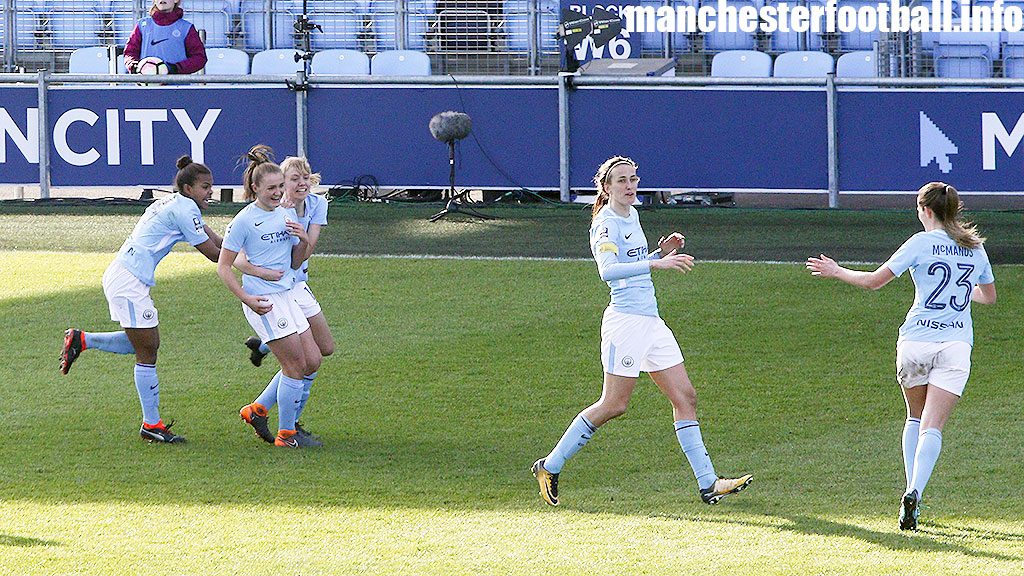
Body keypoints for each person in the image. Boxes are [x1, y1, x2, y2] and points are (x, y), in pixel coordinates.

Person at [531, 156, 754, 507]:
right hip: (626, 324)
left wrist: (659, 251)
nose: (630, 186)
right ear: (606, 188)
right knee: (614, 404)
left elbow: (631, 262)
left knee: (686, 397)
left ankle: (709, 482)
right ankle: (550, 465)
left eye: (633, 179)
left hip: (651, 322)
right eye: (621, 181)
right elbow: (608, 270)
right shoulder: (604, 224)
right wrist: (656, 262)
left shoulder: (631, 215)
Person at [806, 181, 996, 531]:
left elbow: (874, 282)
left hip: (915, 341)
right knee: (933, 425)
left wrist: (836, 271)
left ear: (925, 210)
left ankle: (910, 494)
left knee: (914, 417)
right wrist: (959, 295)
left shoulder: (920, 244)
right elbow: (989, 296)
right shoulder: (974, 248)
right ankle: (914, 492)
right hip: (955, 344)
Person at [59, 156, 223, 443]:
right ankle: (152, 425)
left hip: (126, 275)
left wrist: (247, 248)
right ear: (187, 188)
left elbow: (220, 242)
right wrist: (257, 264)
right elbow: (214, 255)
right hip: (128, 281)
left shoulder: (175, 203)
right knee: (147, 350)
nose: (210, 191)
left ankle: (82, 340)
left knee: (145, 343)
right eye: (205, 187)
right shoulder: (185, 210)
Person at [217, 145, 322, 448]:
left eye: (280, 187)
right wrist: (247, 298)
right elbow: (224, 268)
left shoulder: (286, 213)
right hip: (264, 300)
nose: (278, 193)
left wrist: (302, 241)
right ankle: (287, 435)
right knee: (294, 366)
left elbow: (294, 262)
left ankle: (259, 410)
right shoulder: (244, 221)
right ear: (255, 188)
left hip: (288, 293)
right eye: (272, 188)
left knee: (313, 359)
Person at [237, 156, 334, 440]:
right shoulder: (269, 212)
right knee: (302, 361)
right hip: (278, 289)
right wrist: (260, 273)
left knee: (324, 349)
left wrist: (301, 236)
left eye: (305, 177)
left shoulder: (317, 205)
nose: (301, 183)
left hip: (296, 286)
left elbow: (304, 252)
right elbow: (236, 259)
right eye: (294, 179)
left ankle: (261, 403)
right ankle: (290, 425)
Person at [124, 0, 208, 75]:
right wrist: (135, 66)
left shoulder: (186, 28)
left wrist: (174, 68)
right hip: (146, 88)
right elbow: (130, 53)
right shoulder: (142, 25)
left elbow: (199, 58)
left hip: (177, 88)